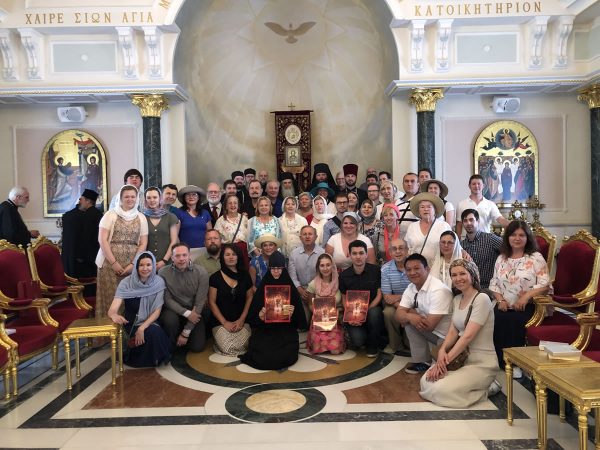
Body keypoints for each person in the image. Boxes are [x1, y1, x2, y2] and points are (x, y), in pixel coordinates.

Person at [420, 259, 499, 408]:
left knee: (439, 389)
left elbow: (467, 336)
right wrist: (442, 352)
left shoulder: (482, 298)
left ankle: (487, 389)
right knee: (426, 381)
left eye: (462, 273)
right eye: (454, 275)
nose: (458, 278)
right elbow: (453, 331)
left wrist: (444, 362)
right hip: (462, 359)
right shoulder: (457, 299)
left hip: (481, 363)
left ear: (472, 275)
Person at [490, 220, 550, 376]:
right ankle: (501, 361)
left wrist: (526, 297)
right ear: (508, 237)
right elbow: (494, 283)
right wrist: (500, 300)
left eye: (521, 235)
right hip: (504, 303)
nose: (517, 238)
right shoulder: (501, 258)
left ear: (527, 237)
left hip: (529, 305)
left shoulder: (535, 257)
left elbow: (545, 284)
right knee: (496, 317)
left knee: (514, 320)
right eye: (513, 234)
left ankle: (516, 363)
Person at [240, 251, 307, 369]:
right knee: (263, 356)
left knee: (285, 356)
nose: (276, 271)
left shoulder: (290, 287)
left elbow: (300, 322)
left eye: (279, 268)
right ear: (269, 268)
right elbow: (252, 319)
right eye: (273, 268)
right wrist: (260, 317)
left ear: (283, 268)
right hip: (265, 330)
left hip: (285, 331)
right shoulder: (262, 288)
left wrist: (292, 314)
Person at [107, 252, 171, 367]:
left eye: (148, 265)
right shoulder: (126, 283)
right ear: (136, 266)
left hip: (151, 321)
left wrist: (142, 328)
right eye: (141, 265)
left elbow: (157, 310)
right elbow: (112, 309)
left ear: (153, 266)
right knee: (154, 333)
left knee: (154, 332)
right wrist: (114, 315)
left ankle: (155, 359)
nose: (145, 268)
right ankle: (146, 358)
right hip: (131, 324)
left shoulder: (159, 282)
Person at [96, 185, 148, 319]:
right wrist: (114, 263)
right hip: (109, 264)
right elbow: (102, 240)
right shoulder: (110, 214)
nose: (130, 199)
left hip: (132, 266)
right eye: (126, 196)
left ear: (136, 198)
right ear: (120, 198)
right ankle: (108, 337)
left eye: (133, 196)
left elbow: (143, 243)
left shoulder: (141, 217)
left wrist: (133, 264)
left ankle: (126, 337)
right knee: (111, 299)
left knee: (129, 301)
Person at [396, 253, 453, 374]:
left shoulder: (439, 290)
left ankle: (436, 358)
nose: (412, 272)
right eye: (409, 270)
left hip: (447, 338)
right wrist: (410, 316)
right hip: (432, 332)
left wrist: (408, 314)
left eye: (417, 268)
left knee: (439, 375)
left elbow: (429, 325)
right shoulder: (411, 287)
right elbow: (398, 315)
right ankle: (423, 361)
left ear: (427, 269)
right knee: (408, 323)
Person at [158, 243, 209, 352]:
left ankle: (184, 335)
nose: (181, 259)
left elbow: (200, 303)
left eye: (184, 255)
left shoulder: (201, 272)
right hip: (173, 310)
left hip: (194, 311)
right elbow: (167, 300)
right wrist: (187, 313)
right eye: (177, 256)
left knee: (197, 347)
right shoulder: (163, 272)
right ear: (172, 257)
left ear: (189, 255)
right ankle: (170, 345)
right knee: (169, 320)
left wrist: (186, 332)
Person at [339, 240, 385, 357]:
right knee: (358, 341)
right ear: (349, 255)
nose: (358, 257)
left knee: (374, 314)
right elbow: (344, 298)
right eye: (354, 253)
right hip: (353, 313)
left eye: (361, 253)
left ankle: (372, 346)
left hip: (372, 308)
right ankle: (365, 336)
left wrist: (365, 311)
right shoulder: (344, 275)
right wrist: (351, 315)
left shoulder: (376, 270)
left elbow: (380, 294)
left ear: (366, 254)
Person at [207, 244, 254, 356]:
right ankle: (218, 343)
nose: (231, 257)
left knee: (245, 345)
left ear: (238, 257)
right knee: (228, 347)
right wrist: (224, 322)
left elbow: (250, 297)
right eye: (227, 254)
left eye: (234, 254)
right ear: (222, 257)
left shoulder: (245, 276)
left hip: (242, 320)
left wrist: (242, 319)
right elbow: (212, 302)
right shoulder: (214, 278)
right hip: (220, 321)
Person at [306, 253, 345, 355]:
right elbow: (310, 305)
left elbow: (344, 304)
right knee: (318, 349)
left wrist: (337, 311)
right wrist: (318, 314)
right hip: (318, 321)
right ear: (318, 268)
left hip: (336, 320)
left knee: (335, 350)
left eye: (328, 265)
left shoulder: (340, 282)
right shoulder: (312, 284)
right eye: (322, 265)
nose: (325, 268)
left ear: (332, 266)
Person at [61, 189, 102, 278]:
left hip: (86, 259)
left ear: (88, 201)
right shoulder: (99, 214)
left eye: (81, 199)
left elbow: (85, 237)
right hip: (96, 256)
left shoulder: (86, 216)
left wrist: (80, 257)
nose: (79, 202)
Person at [380, 238, 411, 356]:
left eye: (401, 248)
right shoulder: (385, 269)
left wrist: (399, 297)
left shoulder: (414, 266)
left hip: (414, 303)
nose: (398, 252)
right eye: (394, 249)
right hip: (394, 305)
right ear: (390, 252)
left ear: (407, 250)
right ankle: (395, 344)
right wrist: (403, 309)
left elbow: (419, 293)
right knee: (388, 312)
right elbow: (387, 297)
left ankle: (409, 343)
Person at [288, 225, 325, 320]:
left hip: (318, 291)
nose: (307, 236)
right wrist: (300, 290)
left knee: (319, 320)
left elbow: (324, 275)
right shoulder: (294, 254)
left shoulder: (322, 253)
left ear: (316, 237)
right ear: (300, 237)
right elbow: (292, 276)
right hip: (300, 291)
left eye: (310, 234)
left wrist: (312, 291)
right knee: (304, 322)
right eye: (304, 234)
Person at [404, 192, 451, 266]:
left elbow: (452, 246)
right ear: (419, 211)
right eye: (422, 207)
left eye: (429, 207)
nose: (426, 209)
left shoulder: (444, 226)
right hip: (417, 268)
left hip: (438, 267)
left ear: (435, 210)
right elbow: (407, 248)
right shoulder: (412, 227)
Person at [459, 209, 502, 289]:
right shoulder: (461, 245)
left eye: (471, 220)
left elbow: (508, 249)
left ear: (478, 221)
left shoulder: (491, 239)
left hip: (491, 288)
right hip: (470, 288)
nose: (468, 223)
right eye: (465, 221)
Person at [143, 187, 179, 271]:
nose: (152, 200)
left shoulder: (170, 217)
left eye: (155, 197)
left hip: (167, 261)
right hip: (147, 263)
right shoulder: (142, 217)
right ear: (145, 200)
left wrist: (164, 260)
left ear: (160, 198)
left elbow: (174, 241)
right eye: (148, 198)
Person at [174, 185, 212, 260]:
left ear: (198, 197)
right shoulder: (178, 212)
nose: (191, 197)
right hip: (186, 251)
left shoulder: (205, 213)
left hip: (204, 250)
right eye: (188, 195)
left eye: (194, 194)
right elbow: (176, 235)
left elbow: (209, 233)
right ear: (184, 198)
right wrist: (181, 250)